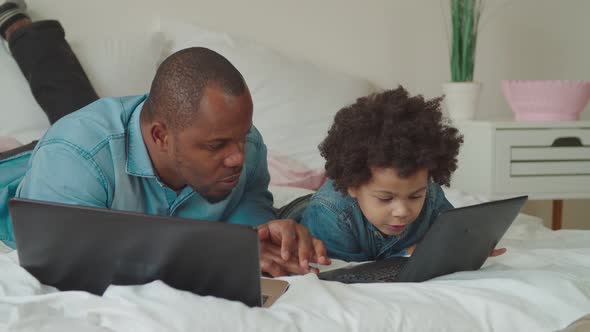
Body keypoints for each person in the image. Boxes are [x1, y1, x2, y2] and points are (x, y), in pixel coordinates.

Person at [0, 1, 330, 276]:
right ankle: (18, 28)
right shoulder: (75, 154)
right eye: (216, 146)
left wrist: (257, 234)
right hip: (22, 173)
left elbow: (249, 200)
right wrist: (214, 252)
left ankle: (19, 28)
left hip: (112, 140)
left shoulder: (246, 145)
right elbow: (60, 254)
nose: (238, 158)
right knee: (83, 132)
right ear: (160, 136)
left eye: (240, 138)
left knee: (79, 112)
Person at [300, 86, 506, 262]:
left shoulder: (431, 195)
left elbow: (450, 236)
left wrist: (469, 246)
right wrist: (407, 254)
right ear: (352, 186)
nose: (402, 211)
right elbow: (341, 274)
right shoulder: (330, 214)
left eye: (415, 196)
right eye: (386, 198)